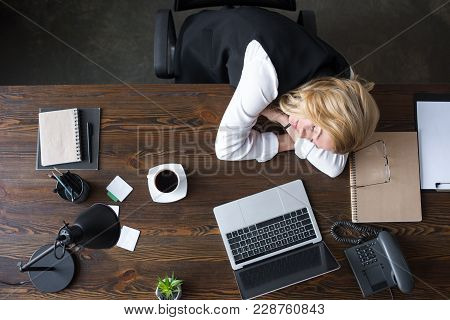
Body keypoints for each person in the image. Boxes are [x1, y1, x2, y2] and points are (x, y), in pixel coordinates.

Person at [175, 7, 379, 177]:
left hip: (266, 35)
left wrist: (283, 120)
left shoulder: (346, 91)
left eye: (313, 141)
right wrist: (284, 141)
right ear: (324, 106)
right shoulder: (265, 75)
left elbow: (333, 167)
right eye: (314, 131)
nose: (303, 135)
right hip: (205, 46)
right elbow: (226, 149)